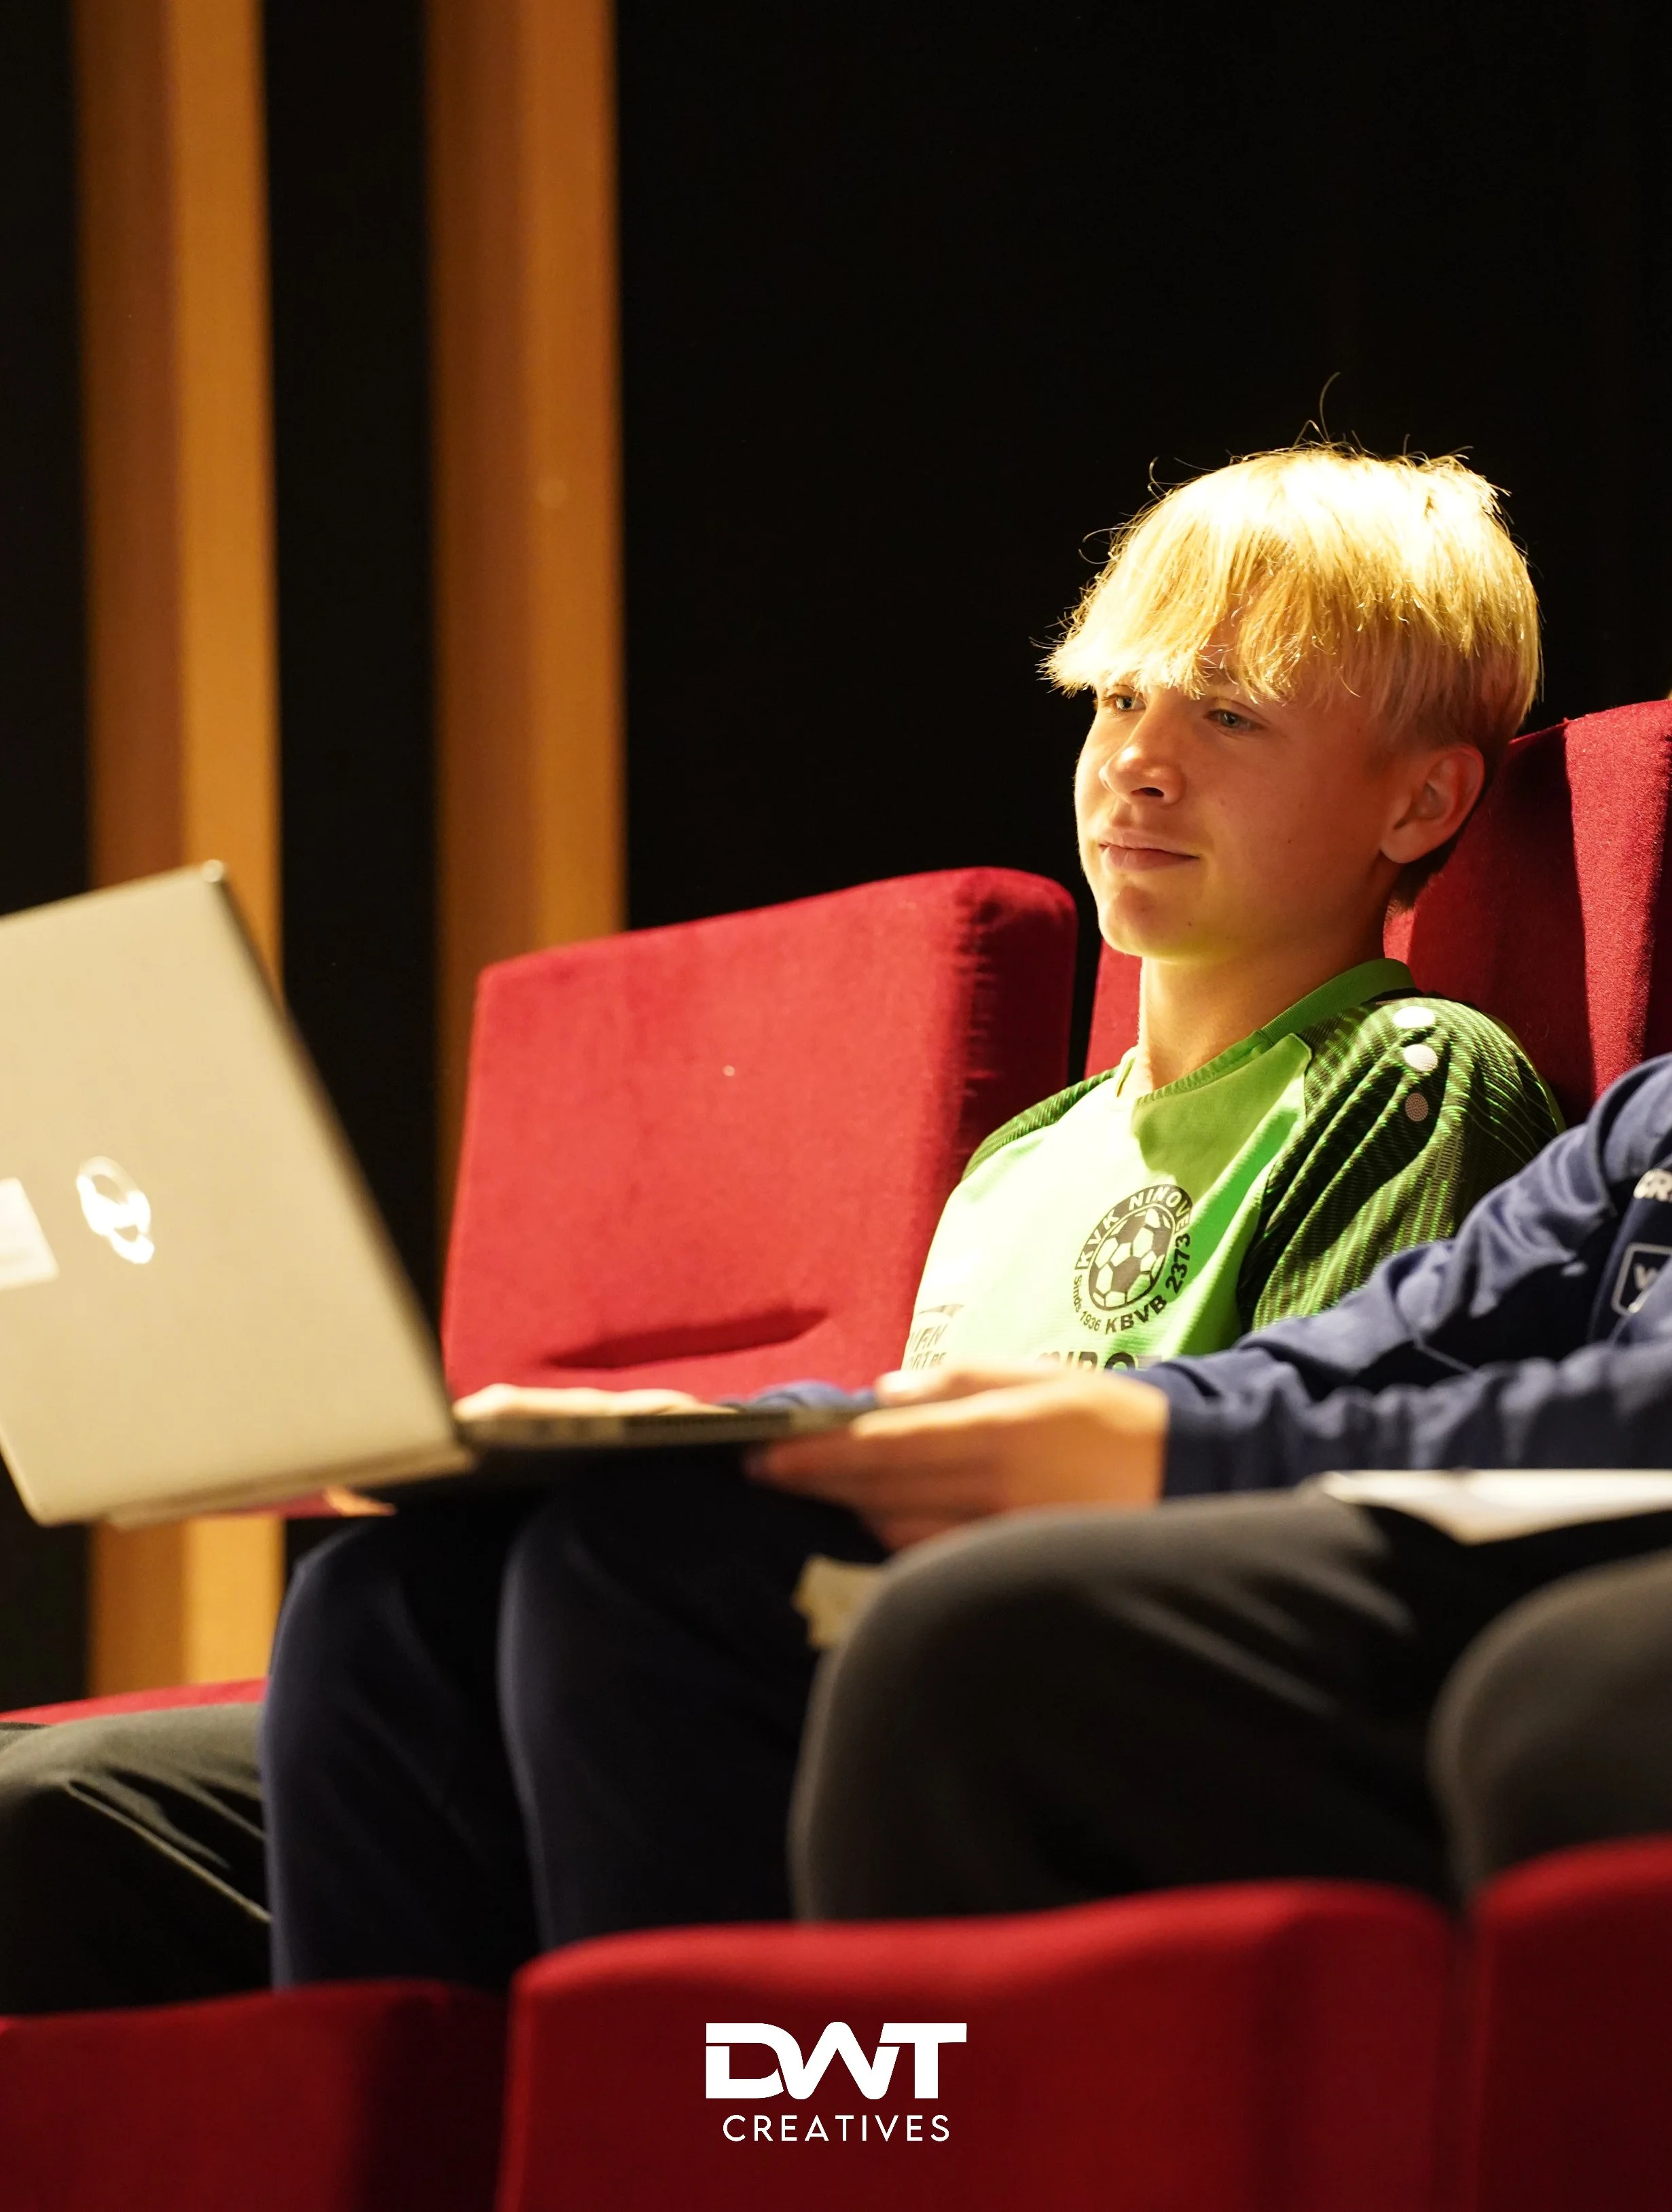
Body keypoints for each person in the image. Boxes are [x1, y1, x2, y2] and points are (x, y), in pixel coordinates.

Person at [255, 445, 1560, 1991]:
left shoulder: (1412, 1074)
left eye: (1228, 713)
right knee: (374, 1603)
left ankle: (719, 2129)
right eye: (1117, 699)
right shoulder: (1022, 1155)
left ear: (1418, 799)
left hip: (1109, 1686)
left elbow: (1297, 1515)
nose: (1137, 762)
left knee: (621, 1571)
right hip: (904, 1627)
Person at [774, 1051, 1672, 1915]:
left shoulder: (1412, 1073)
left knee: (958, 1637)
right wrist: (779, 1422)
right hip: (1518, 1542)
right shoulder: (1648, 1116)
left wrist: (1187, 1453)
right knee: (701, 1530)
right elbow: (1387, 1339)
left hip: (1582, 1572)